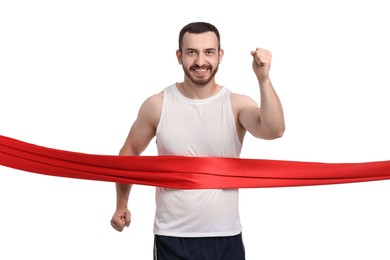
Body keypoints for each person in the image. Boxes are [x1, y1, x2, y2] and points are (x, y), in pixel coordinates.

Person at [110, 22, 285, 259]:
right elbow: (129, 152)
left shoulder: (236, 105)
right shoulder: (158, 105)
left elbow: (274, 130)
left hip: (225, 235)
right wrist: (122, 204)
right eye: (192, 52)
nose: (200, 61)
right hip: (172, 236)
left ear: (220, 56)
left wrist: (263, 79)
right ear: (179, 56)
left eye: (208, 52)